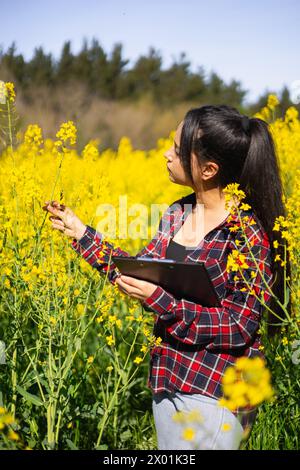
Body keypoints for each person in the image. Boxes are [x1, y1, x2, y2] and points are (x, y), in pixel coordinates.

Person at [43, 104, 289, 450]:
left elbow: (238, 326)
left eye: (176, 149)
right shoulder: (177, 213)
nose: (165, 154)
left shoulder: (246, 235)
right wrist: (81, 233)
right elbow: (143, 272)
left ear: (208, 169)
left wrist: (159, 301)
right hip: (169, 380)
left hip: (214, 395)